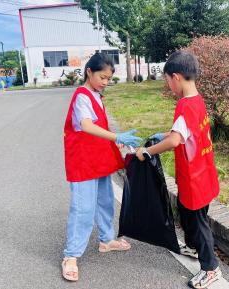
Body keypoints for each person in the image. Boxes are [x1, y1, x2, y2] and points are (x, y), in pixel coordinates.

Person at [136, 51, 222, 289]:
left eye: (166, 81)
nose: (168, 85)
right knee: (190, 214)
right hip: (203, 173)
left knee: (197, 223)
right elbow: (184, 132)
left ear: (175, 77)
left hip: (194, 177)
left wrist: (147, 152)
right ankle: (194, 247)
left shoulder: (184, 105)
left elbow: (176, 141)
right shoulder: (198, 101)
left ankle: (210, 268)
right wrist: (163, 134)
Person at [62, 53, 142, 282]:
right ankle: (71, 255)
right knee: (83, 209)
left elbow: (100, 127)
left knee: (105, 201)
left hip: (98, 159)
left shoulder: (96, 96)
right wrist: (117, 135)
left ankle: (106, 240)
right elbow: (86, 125)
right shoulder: (82, 97)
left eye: (108, 78)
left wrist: (117, 140)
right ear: (89, 72)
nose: (105, 82)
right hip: (83, 161)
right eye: (102, 77)